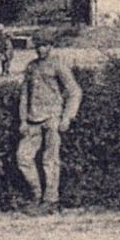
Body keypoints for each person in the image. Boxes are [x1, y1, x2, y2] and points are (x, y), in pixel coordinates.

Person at [15, 34, 82, 214]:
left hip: (52, 117)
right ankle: (36, 195)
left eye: (44, 45)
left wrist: (67, 117)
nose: (40, 49)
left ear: (51, 46)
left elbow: (74, 91)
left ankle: (50, 200)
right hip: (32, 119)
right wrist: (22, 120)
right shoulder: (31, 67)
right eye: (38, 45)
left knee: (50, 160)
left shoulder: (58, 65)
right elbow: (24, 96)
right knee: (23, 158)